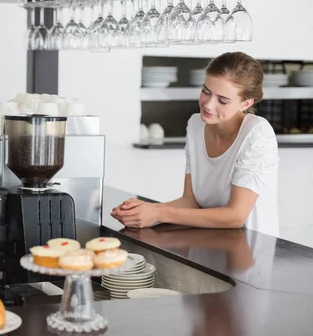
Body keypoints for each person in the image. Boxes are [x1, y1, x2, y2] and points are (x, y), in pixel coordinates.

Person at [112, 52, 280, 237]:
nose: (208, 105)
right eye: (205, 92)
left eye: (222, 100)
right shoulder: (196, 125)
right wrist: (144, 211)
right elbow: (190, 200)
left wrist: (159, 213)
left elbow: (235, 216)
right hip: (208, 242)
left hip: (251, 252)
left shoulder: (257, 133)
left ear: (245, 103)